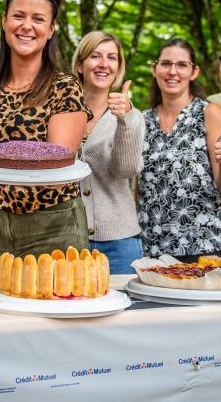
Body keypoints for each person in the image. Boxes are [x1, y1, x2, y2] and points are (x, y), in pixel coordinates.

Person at [0, 0, 91, 270]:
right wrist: (24, 158)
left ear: (50, 30)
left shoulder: (64, 88)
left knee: (52, 311)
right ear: (3, 22)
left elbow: (56, 167)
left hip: (53, 229)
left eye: (38, 19)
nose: (27, 26)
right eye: (19, 16)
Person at [138, 37, 221, 261]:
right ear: (154, 69)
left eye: (182, 65)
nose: (172, 71)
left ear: (194, 72)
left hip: (204, 245)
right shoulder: (141, 120)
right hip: (152, 247)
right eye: (165, 64)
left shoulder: (209, 113)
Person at [72, 31, 144, 274]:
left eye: (112, 58)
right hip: (68, 240)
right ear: (80, 65)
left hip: (120, 243)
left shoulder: (133, 117)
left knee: (127, 312)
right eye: (95, 56)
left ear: (118, 67)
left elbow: (125, 169)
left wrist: (124, 120)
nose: (104, 64)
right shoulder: (60, 112)